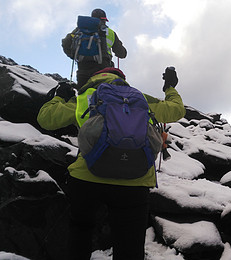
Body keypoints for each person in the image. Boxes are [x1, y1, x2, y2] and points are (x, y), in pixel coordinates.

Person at [37, 67, 185, 260]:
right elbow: (177, 110)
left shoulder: (85, 98)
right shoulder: (139, 99)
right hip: (135, 181)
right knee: (130, 246)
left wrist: (59, 98)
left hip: (87, 177)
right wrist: (170, 87)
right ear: (122, 80)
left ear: (94, 78)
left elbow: (45, 119)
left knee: (80, 232)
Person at [62, 8, 127, 88]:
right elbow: (122, 54)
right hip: (103, 69)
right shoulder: (110, 32)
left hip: (83, 69)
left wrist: (74, 55)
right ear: (104, 20)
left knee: (83, 95)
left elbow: (65, 43)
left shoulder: (79, 30)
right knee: (103, 95)